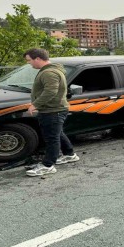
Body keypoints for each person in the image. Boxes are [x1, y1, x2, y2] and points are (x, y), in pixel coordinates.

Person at [23, 48, 78, 177]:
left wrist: (35, 104)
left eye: (29, 60)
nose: (29, 63)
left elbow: (50, 91)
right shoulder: (51, 70)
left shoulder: (49, 73)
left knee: (51, 138)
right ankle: (69, 154)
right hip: (55, 109)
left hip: (53, 110)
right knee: (57, 133)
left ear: (37, 59)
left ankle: (48, 165)